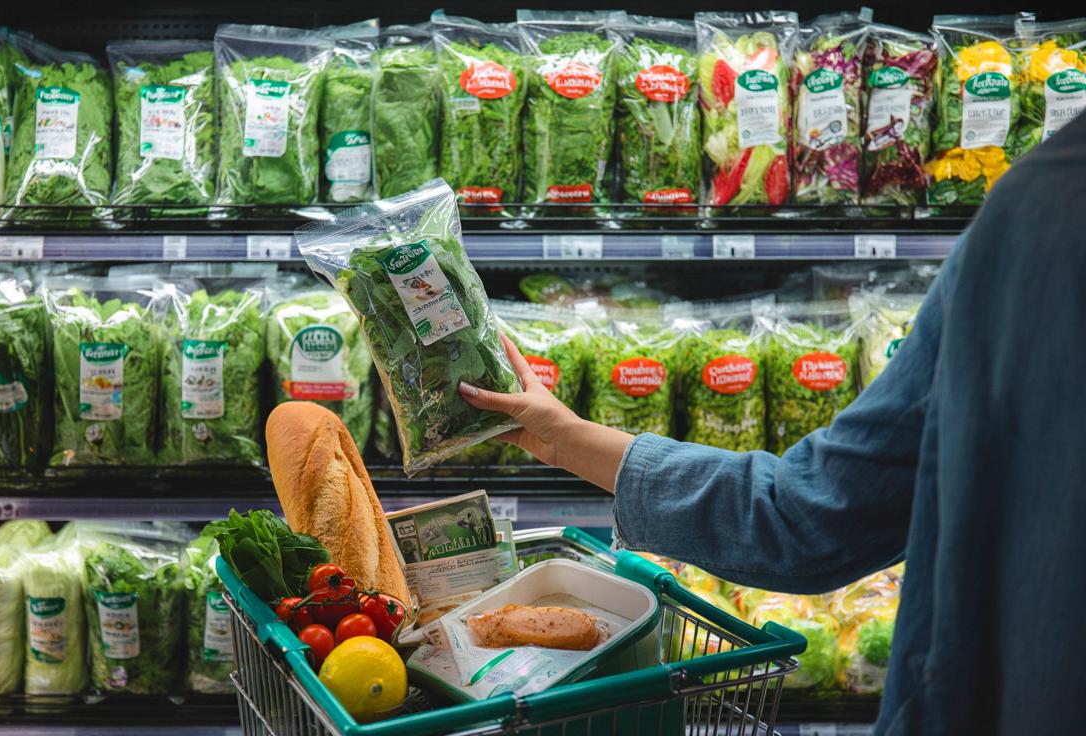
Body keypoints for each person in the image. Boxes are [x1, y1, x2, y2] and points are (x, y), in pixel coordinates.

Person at [458, 115, 1086, 734]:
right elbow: (814, 510)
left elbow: (814, 513)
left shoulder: (1037, 216)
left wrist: (568, 440)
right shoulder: (1040, 209)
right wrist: (567, 440)